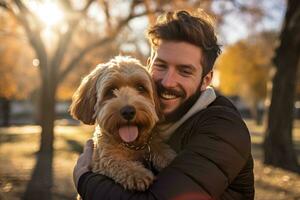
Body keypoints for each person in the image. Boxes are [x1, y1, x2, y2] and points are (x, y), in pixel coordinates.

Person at [73, 10, 254, 200]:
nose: (168, 82)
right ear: (149, 65)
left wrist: (84, 180)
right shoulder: (160, 122)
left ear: (205, 80)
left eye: (184, 71)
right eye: (161, 65)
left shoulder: (223, 130)